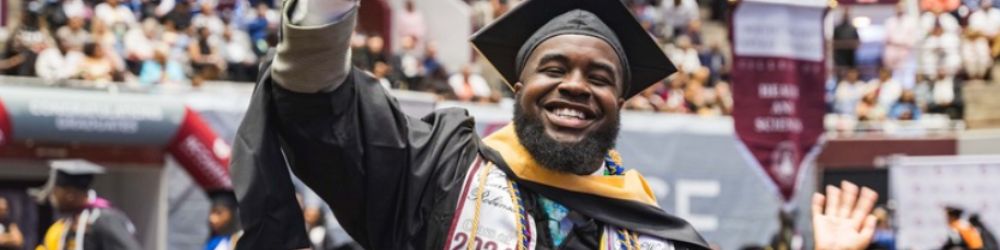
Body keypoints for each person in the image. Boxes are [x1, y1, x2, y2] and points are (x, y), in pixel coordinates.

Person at [230, 0, 881, 249]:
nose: (575, 85)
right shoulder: (440, 171)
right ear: (520, 84)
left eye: (600, 78)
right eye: (555, 69)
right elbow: (319, 101)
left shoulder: (654, 236)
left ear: (621, 103)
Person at [35, 160, 142, 250]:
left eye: (55, 192)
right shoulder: (70, 224)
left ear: (69, 194)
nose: (52, 198)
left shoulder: (104, 219)